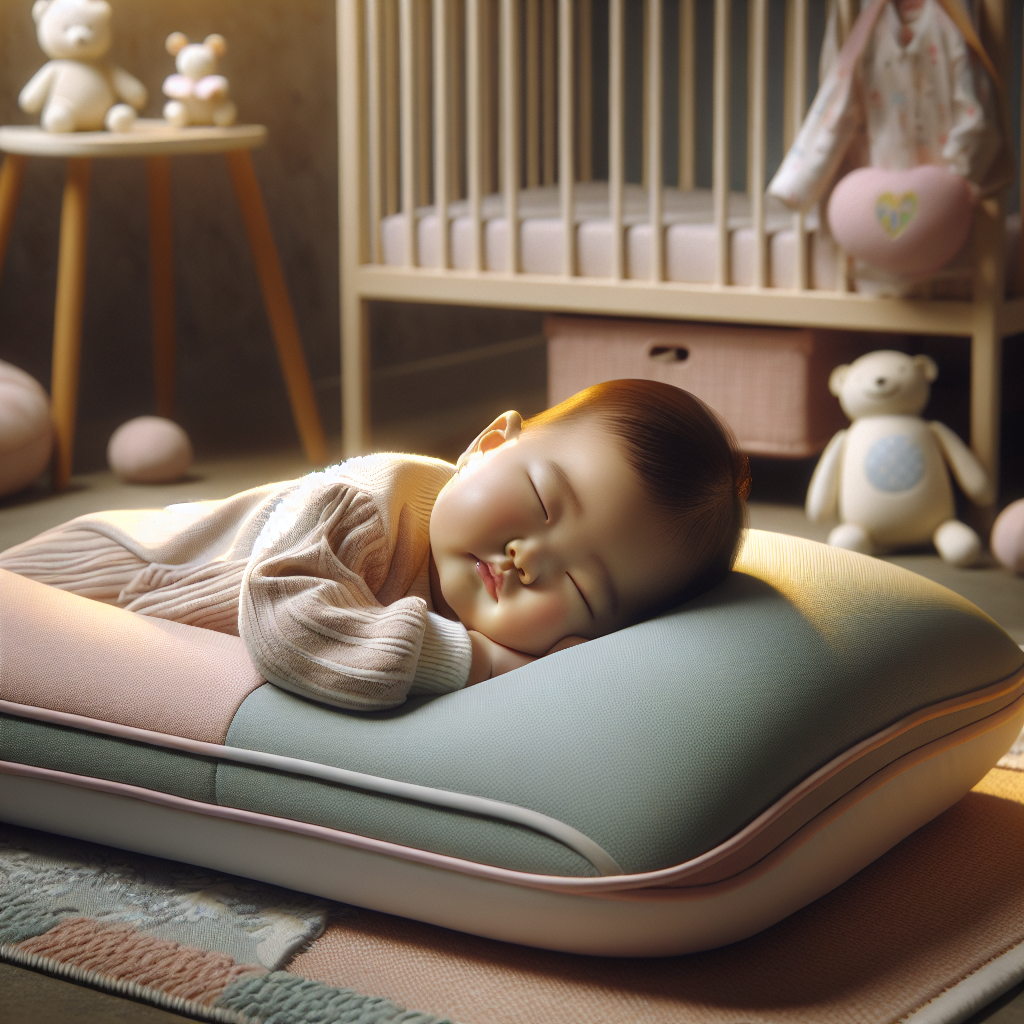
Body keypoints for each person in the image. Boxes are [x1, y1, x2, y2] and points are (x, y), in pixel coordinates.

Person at [0, 380, 750, 710]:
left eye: (583, 590)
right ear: (489, 444)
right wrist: (483, 660)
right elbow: (290, 628)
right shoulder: (362, 504)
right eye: (543, 503)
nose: (531, 558)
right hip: (101, 573)